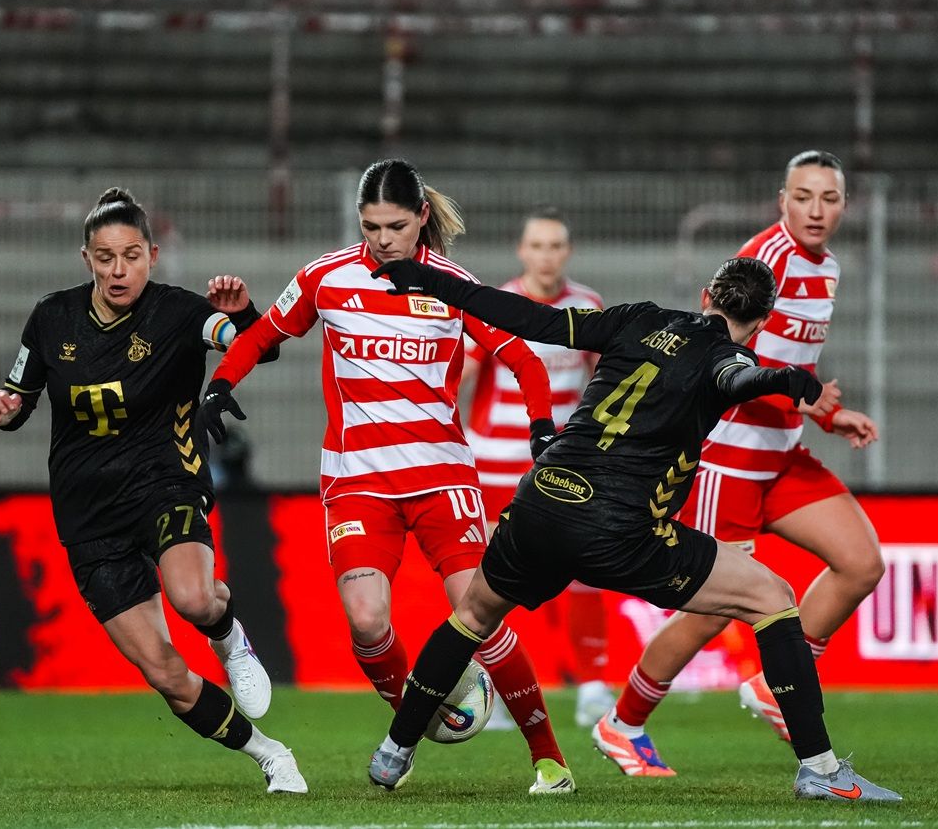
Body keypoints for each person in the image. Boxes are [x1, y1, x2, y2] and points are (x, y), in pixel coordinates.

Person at [365, 254, 902, 803]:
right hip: (617, 530)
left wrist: (431, 280)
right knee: (774, 597)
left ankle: (393, 751)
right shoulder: (727, 357)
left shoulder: (635, 318)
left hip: (542, 500)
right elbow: (738, 378)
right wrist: (782, 378)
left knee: (473, 617)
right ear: (763, 322)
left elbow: (529, 318)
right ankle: (820, 770)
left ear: (705, 297)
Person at [198, 159, 576, 794]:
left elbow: (524, 361)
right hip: (358, 482)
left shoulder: (454, 284)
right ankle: (413, 728)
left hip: (442, 478)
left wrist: (542, 427)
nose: (382, 240)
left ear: (422, 217)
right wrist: (221, 384)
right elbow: (262, 334)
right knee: (367, 620)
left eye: (395, 226)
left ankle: (550, 761)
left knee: (478, 611)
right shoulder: (326, 277)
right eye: (370, 227)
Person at [0, 187, 306, 794]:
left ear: (151, 256)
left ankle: (230, 638)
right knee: (166, 675)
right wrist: (6, 410)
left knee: (194, 599)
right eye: (105, 258)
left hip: (165, 483)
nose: (118, 270)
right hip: (88, 514)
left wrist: (242, 314)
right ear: (86, 258)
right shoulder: (51, 317)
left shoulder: (178, 312)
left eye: (131, 256)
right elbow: (19, 394)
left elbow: (256, 348)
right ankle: (271, 754)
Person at [597, 151, 885, 777]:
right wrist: (808, 402)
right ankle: (623, 724)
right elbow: (724, 359)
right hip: (729, 459)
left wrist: (828, 415)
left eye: (829, 198)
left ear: (844, 204)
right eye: (803, 196)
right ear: (782, 200)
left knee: (862, 563)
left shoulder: (828, 268)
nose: (816, 210)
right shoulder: (766, 260)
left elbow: (793, 369)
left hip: (780, 454)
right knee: (711, 610)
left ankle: (773, 688)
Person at [461, 208, 612, 728]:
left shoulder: (588, 306)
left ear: (567, 252)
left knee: (585, 570)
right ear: (521, 251)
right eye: (538, 245)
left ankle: (592, 686)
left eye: (555, 246)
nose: (546, 256)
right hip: (494, 465)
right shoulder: (497, 305)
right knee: (493, 579)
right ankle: (499, 690)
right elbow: (461, 376)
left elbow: (605, 383)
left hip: (562, 467)